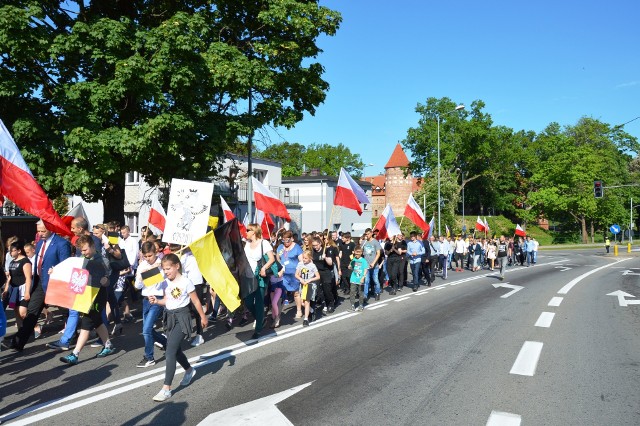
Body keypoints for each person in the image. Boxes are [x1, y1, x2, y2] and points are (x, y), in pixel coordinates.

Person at [148, 254, 207, 402]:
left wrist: (203, 316)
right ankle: (189, 370)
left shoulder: (186, 281)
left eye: (168, 268)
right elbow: (168, 300)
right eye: (164, 269)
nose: (166, 271)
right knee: (175, 349)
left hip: (182, 318)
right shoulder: (166, 283)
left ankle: (166, 388)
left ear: (177, 266)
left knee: (170, 352)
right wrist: (157, 301)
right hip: (169, 318)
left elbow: (195, 301)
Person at [60, 235, 116, 364]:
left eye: (85, 250)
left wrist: (104, 280)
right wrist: (55, 271)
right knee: (97, 321)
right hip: (85, 296)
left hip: (97, 296)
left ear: (92, 246)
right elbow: (71, 273)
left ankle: (75, 354)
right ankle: (108, 345)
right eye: (81, 250)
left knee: (86, 323)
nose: (83, 252)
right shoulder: (80, 259)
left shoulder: (102, 260)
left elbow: (107, 281)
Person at [15, 221, 71, 351]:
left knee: (66, 311)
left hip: (55, 283)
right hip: (40, 282)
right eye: (38, 231)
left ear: (51, 228)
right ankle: (18, 342)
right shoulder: (40, 243)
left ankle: (74, 333)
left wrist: (56, 271)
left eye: (43, 231)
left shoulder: (62, 244)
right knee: (32, 312)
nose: (40, 234)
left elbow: (66, 264)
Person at [47, 217, 101, 351]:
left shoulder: (95, 241)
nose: (71, 230)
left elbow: (98, 262)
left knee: (97, 313)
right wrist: (57, 270)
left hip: (93, 284)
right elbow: (75, 262)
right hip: (80, 280)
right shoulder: (78, 241)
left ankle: (104, 339)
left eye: (73, 227)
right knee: (73, 309)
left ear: (80, 228)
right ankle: (65, 341)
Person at [134, 241, 167, 367]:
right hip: (146, 299)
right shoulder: (142, 265)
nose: (148, 258)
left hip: (157, 298)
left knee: (147, 330)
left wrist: (159, 268)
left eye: (150, 256)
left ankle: (149, 357)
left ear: (155, 252)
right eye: (145, 256)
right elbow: (137, 286)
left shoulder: (162, 263)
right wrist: (141, 277)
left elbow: (167, 280)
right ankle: (165, 342)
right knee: (147, 330)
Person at [243, 223, 274, 339]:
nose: (246, 232)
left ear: (254, 232)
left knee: (260, 302)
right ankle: (260, 319)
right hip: (248, 277)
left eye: (248, 230)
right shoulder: (247, 244)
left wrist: (264, 268)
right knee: (248, 302)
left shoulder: (264, 243)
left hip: (259, 276)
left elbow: (272, 259)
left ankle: (258, 330)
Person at [2, 241, 33, 334]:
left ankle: (35, 326)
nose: (11, 253)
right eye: (10, 251)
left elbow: (28, 277)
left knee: (23, 313)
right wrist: (6, 290)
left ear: (19, 251)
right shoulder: (12, 262)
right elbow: (9, 278)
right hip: (14, 290)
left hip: (23, 289)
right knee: (16, 312)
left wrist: (27, 292)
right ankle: (20, 333)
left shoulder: (25, 261)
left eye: (13, 250)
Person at [276, 231, 303, 318]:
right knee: (281, 293)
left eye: (287, 240)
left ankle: (299, 310)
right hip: (283, 274)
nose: (285, 242)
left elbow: (301, 261)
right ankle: (278, 314)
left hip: (294, 274)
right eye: (284, 240)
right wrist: (280, 264)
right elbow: (277, 257)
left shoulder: (297, 247)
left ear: (292, 238)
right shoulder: (280, 247)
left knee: (296, 293)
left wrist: (300, 272)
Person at [295, 250, 320, 327]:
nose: (304, 260)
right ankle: (311, 310)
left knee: (307, 302)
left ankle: (306, 319)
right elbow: (296, 274)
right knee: (302, 302)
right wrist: (300, 279)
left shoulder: (312, 266)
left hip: (309, 285)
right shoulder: (300, 264)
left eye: (305, 258)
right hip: (302, 284)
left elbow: (318, 276)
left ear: (310, 258)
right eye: (303, 258)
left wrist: (310, 280)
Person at [311, 237, 336, 314]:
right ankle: (318, 303)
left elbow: (330, 263)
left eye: (316, 245)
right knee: (316, 289)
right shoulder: (312, 252)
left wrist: (325, 258)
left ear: (320, 243)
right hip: (317, 272)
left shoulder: (326, 250)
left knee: (327, 289)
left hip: (325, 271)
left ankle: (330, 303)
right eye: (313, 245)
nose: (315, 247)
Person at [361, 228, 382, 300]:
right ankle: (365, 295)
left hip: (374, 266)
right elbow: (361, 252)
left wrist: (373, 263)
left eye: (367, 234)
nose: (366, 235)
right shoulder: (364, 242)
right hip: (366, 266)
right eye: (365, 234)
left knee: (375, 280)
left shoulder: (375, 242)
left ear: (371, 233)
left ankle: (377, 292)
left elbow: (378, 254)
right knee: (366, 281)